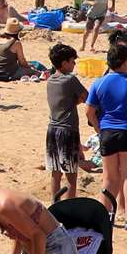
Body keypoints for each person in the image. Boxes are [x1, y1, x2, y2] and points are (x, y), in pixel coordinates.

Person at [86, 39, 127, 231]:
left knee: (109, 179)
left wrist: (99, 130)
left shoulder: (99, 83)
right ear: (126, 61)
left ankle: (104, 218)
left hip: (107, 132)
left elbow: (89, 111)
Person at [45, 43, 87, 200]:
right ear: (64, 63)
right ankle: (70, 208)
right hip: (68, 130)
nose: (74, 64)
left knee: (55, 173)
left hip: (52, 129)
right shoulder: (70, 79)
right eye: (72, 61)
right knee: (71, 177)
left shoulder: (51, 80)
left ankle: (55, 204)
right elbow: (86, 97)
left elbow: (62, 101)